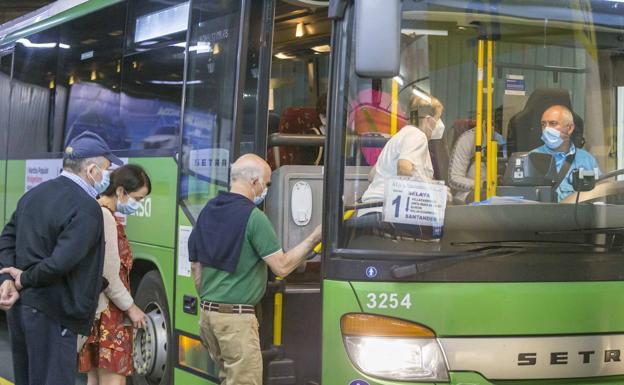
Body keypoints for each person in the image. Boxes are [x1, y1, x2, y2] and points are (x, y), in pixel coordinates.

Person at [0, 131, 122, 385]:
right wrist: (23, 279)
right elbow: (62, 261)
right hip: (54, 314)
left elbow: (6, 239)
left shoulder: (33, 195)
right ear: (91, 170)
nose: (107, 177)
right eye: (106, 169)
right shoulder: (87, 207)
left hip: (22, 312)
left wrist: (7, 279)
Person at [188, 153, 321, 385]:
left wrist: (212, 301)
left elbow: (196, 266)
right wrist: (315, 238)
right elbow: (282, 266)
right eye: (267, 183)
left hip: (209, 317)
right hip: (236, 322)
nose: (265, 189)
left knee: (226, 378)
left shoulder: (208, 210)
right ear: (254, 182)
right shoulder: (254, 218)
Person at [78, 164, 151, 385]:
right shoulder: (106, 217)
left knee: (93, 378)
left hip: (95, 313)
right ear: (120, 191)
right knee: (113, 381)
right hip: (109, 315)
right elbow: (109, 274)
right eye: (138, 199)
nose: (138, 205)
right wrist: (132, 307)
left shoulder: (93, 209)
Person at [360, 94, 445, 209]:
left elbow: (372, 175)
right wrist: (432, 188)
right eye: (438, 118)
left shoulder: (399, 136)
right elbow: (404, 168)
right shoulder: (418, 135)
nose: (440, 124)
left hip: (370, 207)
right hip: (387, 211)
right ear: (429, 120)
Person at [531, 105, 600, 201]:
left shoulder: (587, 160)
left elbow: (598, 196)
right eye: (543, 124)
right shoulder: (531, 158)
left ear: (570, 128)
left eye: (553, 123)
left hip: (577, 214)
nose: (546, 129)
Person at [448, 106, 507, 203]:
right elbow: (454, 178)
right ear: (491, 122)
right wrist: (482, 184)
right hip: (469, 195)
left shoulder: (506, 140)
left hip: (501, 194)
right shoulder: (468, 139)